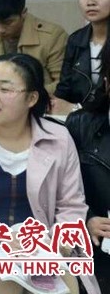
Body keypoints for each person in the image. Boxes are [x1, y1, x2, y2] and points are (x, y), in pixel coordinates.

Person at [0, 53, 100, 294]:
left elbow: (71, 205)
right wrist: (1, 237)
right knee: (3, 281)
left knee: (65, 284)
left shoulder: (59, 139)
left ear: (32, 98)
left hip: (43, 244)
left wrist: (53, 242)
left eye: (5, 89)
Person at [66, 44, 110, 292]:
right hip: (95, 246)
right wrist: (87, 218)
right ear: (107, 82)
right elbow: (62, 192)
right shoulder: (79, 126)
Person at [53, 0, 110, 115]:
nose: (90, 2)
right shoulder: (76, 40)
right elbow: (64, 88)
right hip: (79, 121)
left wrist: (76, 108)